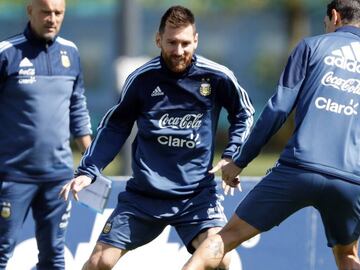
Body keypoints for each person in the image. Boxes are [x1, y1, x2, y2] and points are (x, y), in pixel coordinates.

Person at [60, 5, 254, 270]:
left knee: (222, 258)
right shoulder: (142, 78)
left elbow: (244, 112)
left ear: (196, 40)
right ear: (158, 39)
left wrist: (233, 154)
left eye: (186, 43)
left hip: (196, 195)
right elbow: (116, 126)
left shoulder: (217, 76)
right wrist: (88, 170)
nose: (179, 50)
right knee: (98, 263)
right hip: (144, 195)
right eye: (171, 42)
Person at [181, 0, 360, 269]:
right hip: (350, 178)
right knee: (347, 255)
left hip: (298, 168)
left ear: (334, 16)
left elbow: (277, 109)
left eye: (325, 21)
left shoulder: (312, 46)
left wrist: (240, 161)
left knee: (226, 238)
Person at [0, 0, 92, 269]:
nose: (52, 18)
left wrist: (91, 158)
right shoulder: (6, 53)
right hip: (12, 176)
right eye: (45, 12)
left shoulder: (71, 52)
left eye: (58, 13)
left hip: (59, 178)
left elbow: (77, 106)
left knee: (54, 256)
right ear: (30, 11)